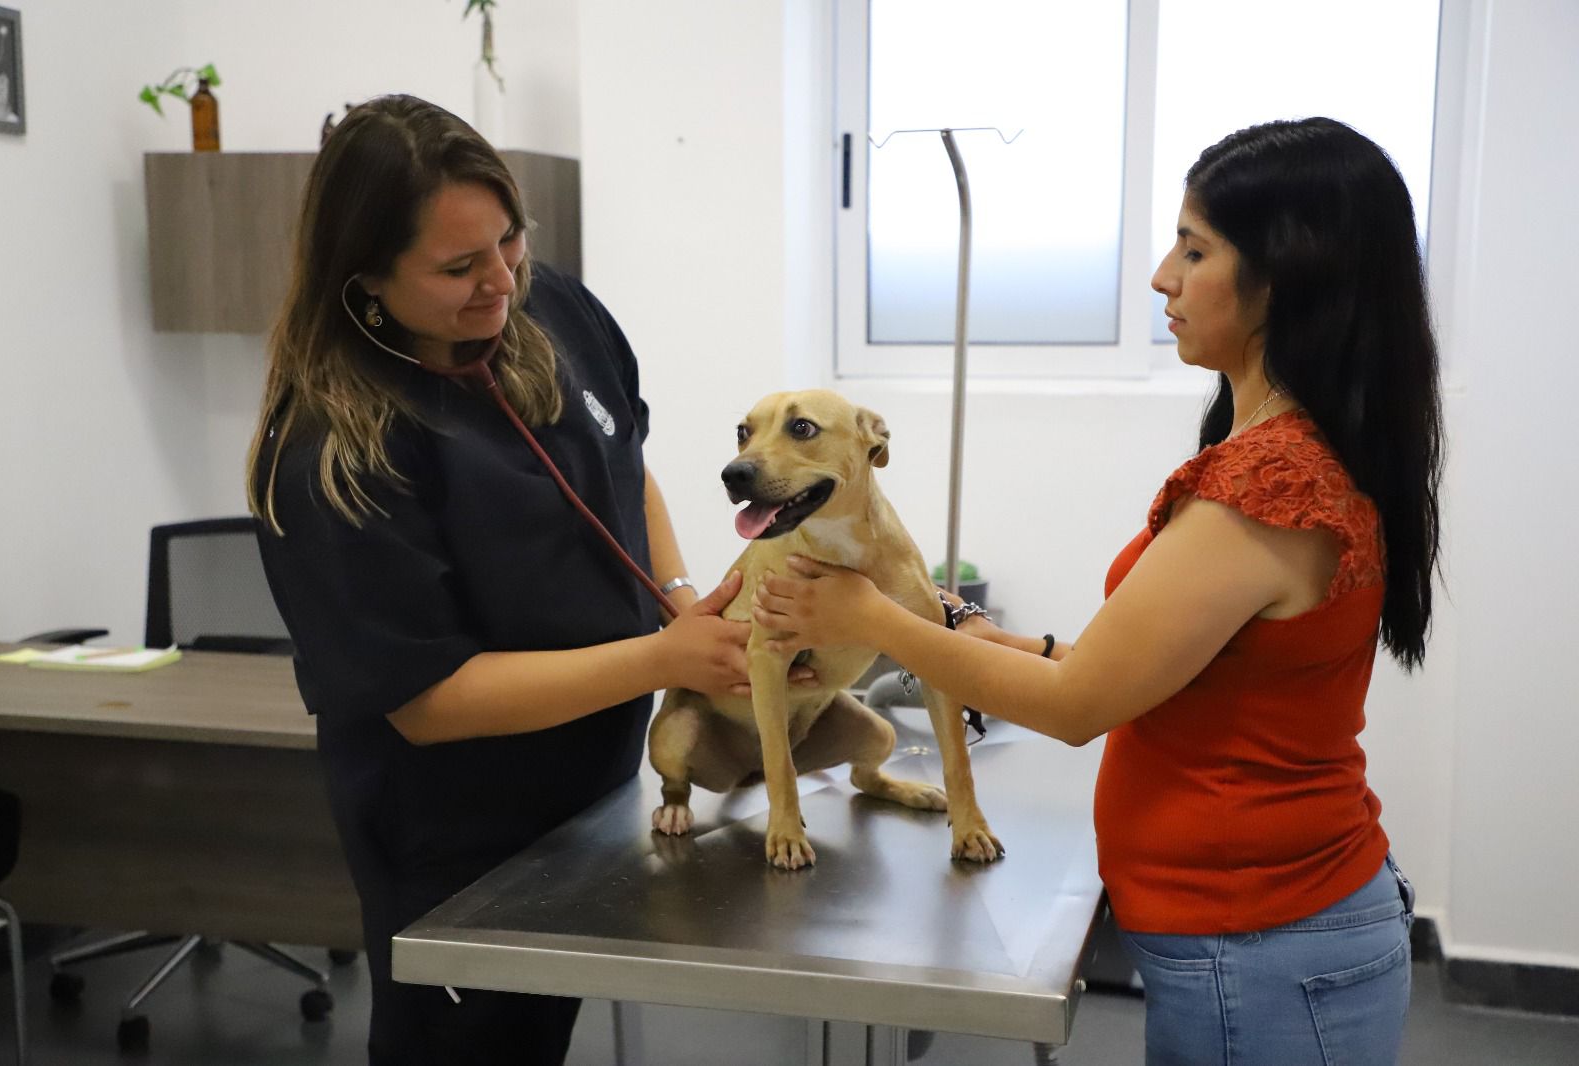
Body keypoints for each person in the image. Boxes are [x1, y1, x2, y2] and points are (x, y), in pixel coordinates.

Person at [754, 117, 1441, 1066]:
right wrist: (994, 640)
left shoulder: (1266, 493)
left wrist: (869, 615)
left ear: (1283, 277)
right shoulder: (1293, 459)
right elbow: (1154, 680)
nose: (1163, 275)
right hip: (1263, 936)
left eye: (1194, 249)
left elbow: (1080, 711)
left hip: (1266, 953)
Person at [246, 94, 810, 1066]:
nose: (500, 281)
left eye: (509, 241)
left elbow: (625, 463)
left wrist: (679, 594)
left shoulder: (549, 308)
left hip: (586, 800)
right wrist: (660, 655)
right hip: (455, 840)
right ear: (365, 280)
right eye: (458, 267)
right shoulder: (332, 452)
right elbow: (428, 701)